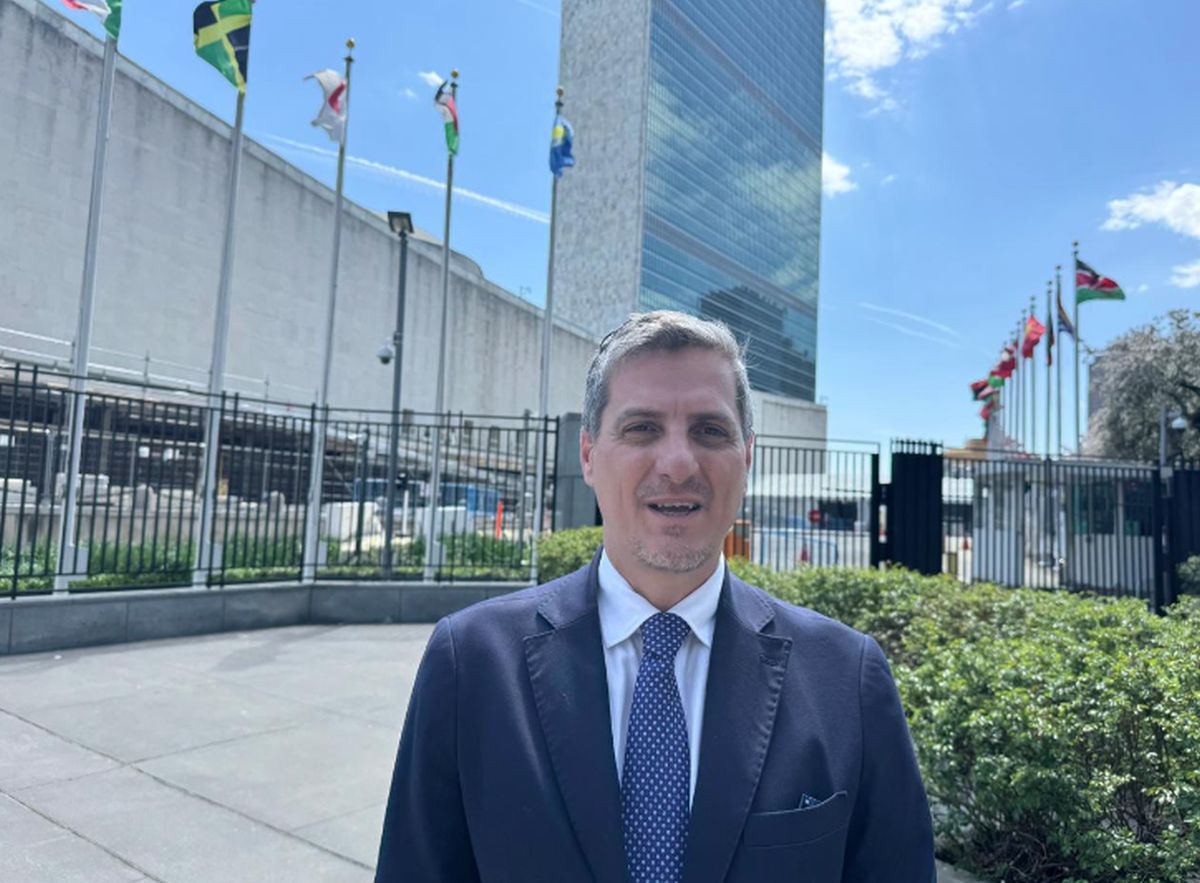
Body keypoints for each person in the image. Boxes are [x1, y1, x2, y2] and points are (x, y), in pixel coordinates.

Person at [375, 311, 936, 882]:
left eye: (710, 431)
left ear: (747, 456)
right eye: (642, 428)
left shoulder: (845, 677)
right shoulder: (472, 662)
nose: (677, 464)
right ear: (588, 455)